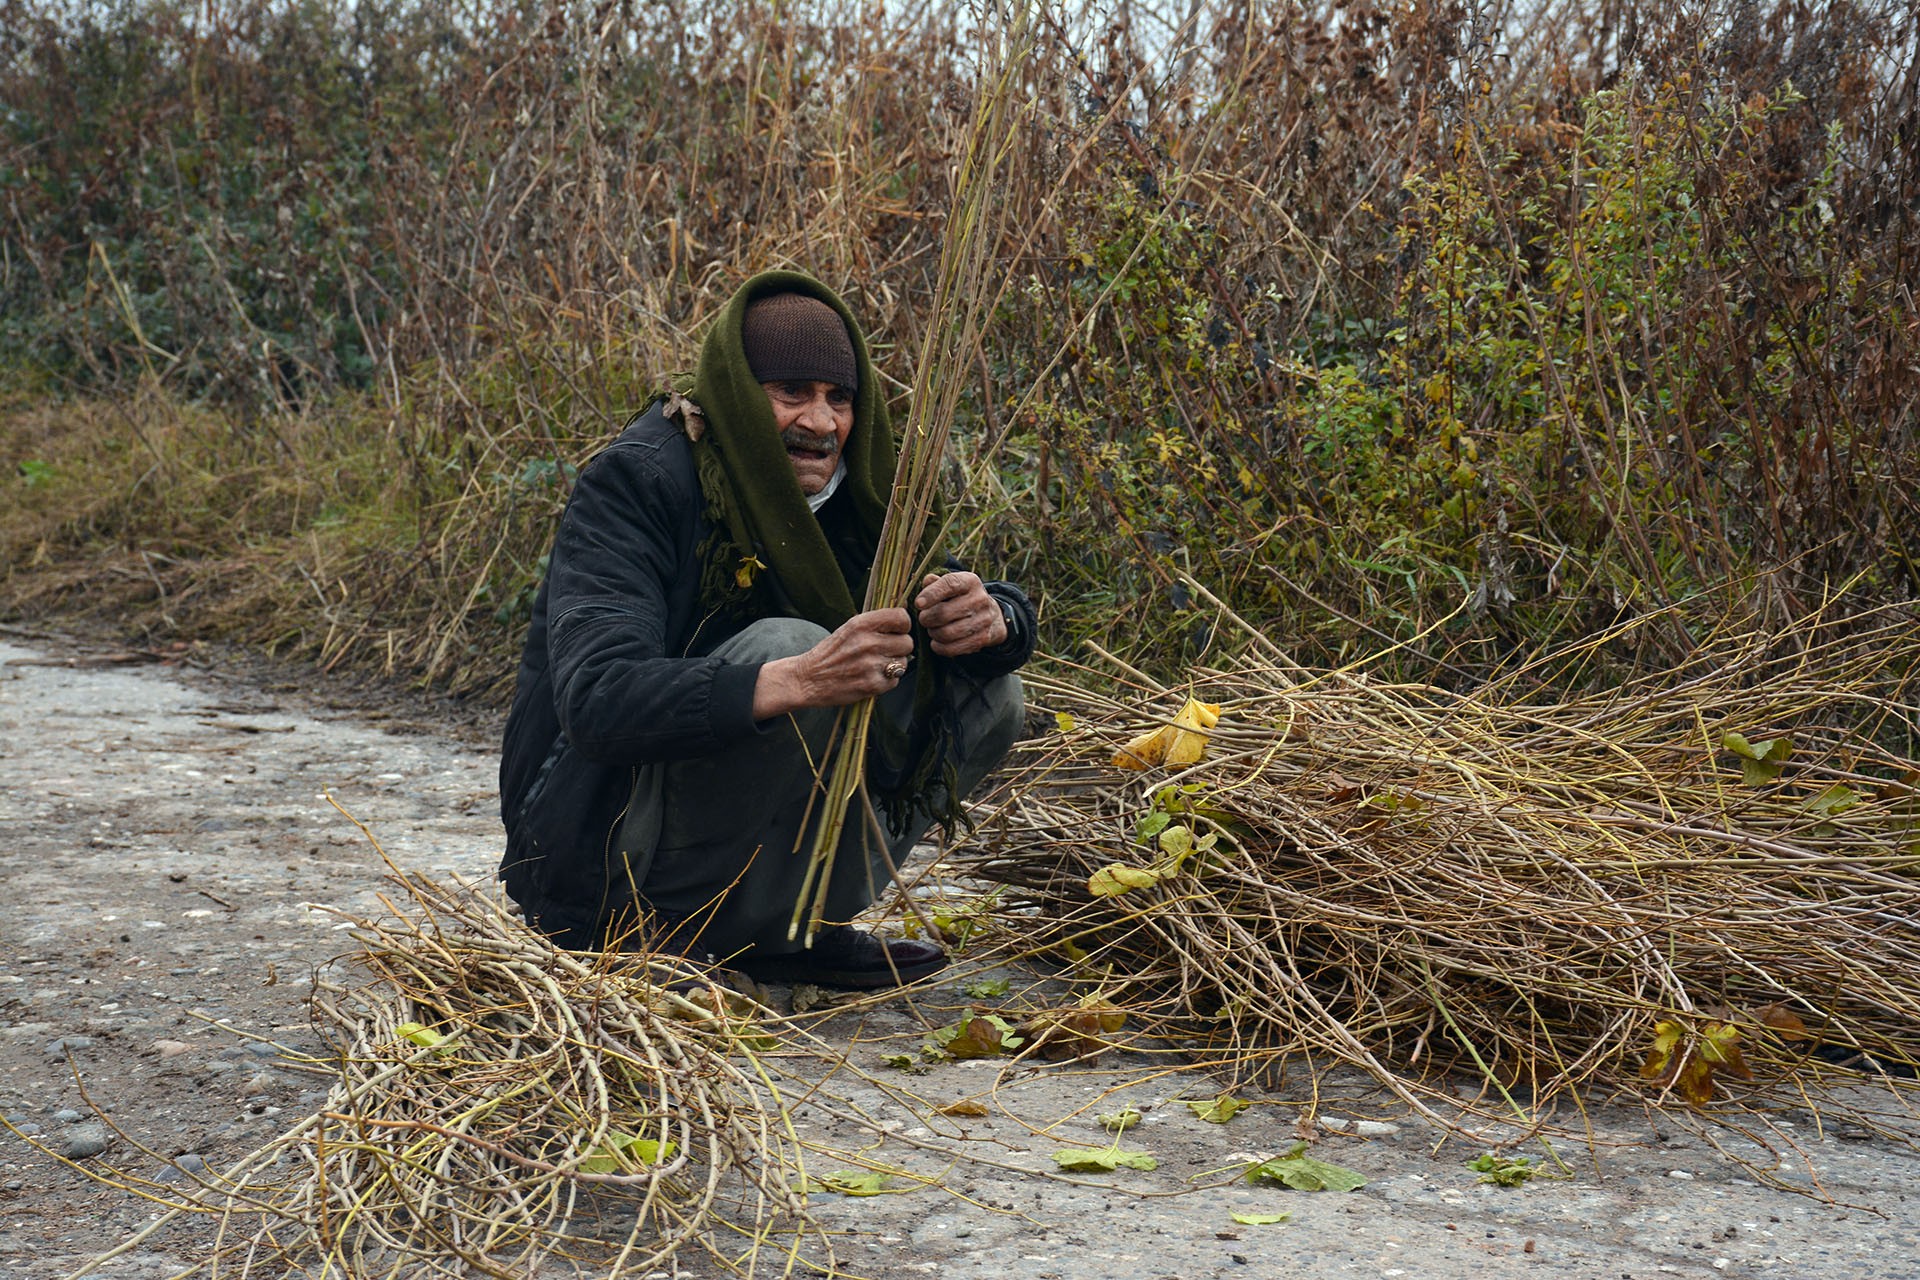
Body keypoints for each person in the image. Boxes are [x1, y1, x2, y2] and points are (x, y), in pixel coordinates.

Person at [497, 270, 1034, 988]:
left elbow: (963, 605)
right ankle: (660, 934)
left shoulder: (857, 496)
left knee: (990, 693)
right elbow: (598, 698)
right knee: (788, 649)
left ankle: (791, 928)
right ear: (737, 395)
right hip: (603, 859)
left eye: (839, 399)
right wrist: (799, 678)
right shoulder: (642, 481)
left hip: (752, 876)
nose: (821, 423)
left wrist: (992, 617)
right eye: (792, 394)